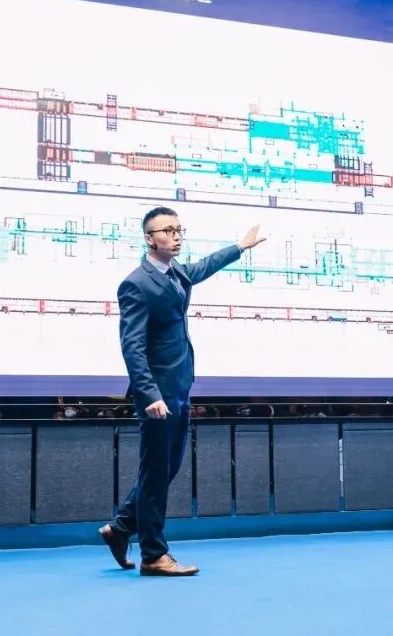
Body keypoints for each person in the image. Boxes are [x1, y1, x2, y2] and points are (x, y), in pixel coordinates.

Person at [99, 206, 265, 576]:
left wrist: (240, 246)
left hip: (179, 386)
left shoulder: (176, 272)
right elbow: (132, 347)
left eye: (178, 229)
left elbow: (203, 267)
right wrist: (149, 394)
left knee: (166, 468)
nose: (175, 236)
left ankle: (122, 526)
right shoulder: (136, 284)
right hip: (158, 395)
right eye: (167, 230)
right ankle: (154, 555)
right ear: (149, 238)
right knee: (156, 473)